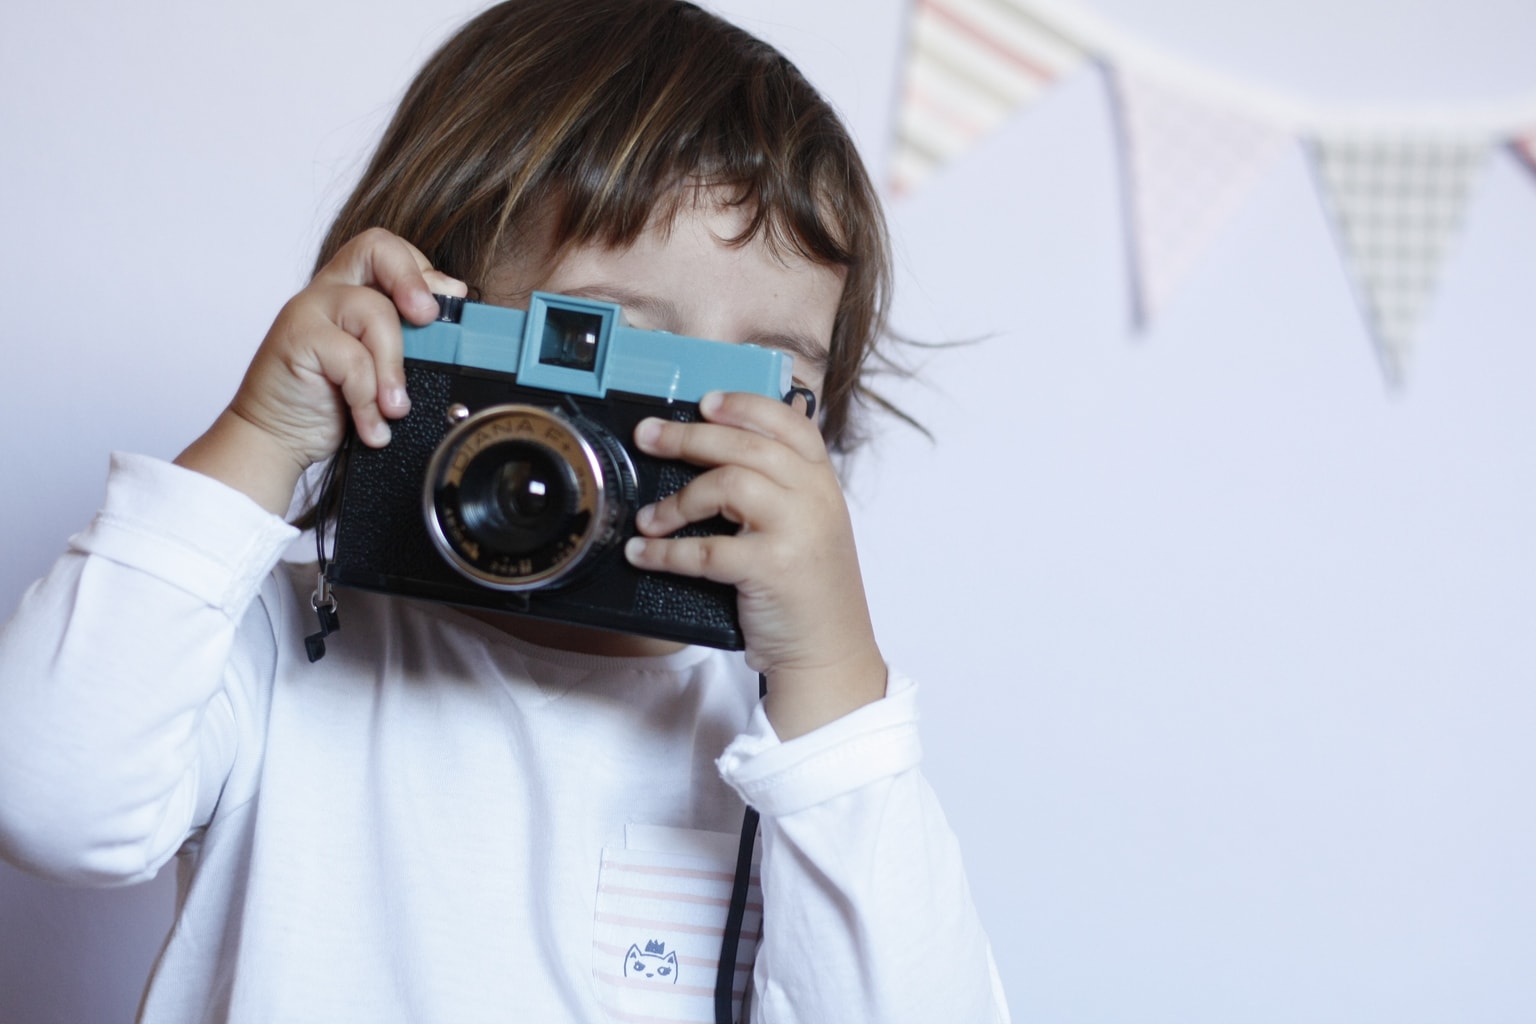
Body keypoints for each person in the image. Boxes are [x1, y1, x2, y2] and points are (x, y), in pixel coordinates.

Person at [0, 1, 1009, 1021]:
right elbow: (46, 802)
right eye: (608, 338)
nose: (693, 415)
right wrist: (260, 435)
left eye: (768, 376)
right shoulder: (280, 641)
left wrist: (833, 687)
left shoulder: (781, 743)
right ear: (423, 317)